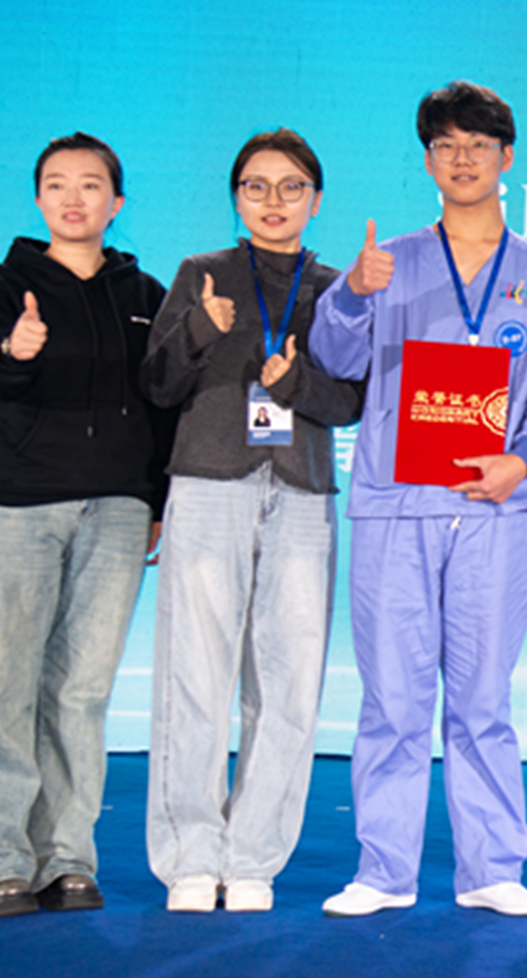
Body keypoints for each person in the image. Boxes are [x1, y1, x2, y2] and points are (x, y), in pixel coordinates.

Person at [308, 84, 527, 920]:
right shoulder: (387, 262)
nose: (463, 160)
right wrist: (353, 294)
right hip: (397, 505)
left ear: (507, 157)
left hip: (496, 510)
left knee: (483, 697)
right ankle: (382, 871)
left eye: (478, 145)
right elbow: (334, 359)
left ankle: (492, 867)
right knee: (392, 697)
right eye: (446, 146)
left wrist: (522, 459)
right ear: (427, 161)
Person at [0, 132, 173, 919]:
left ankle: (65, 858)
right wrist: (16, 349)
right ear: (39, 199)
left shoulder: (146, 294)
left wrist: (156, 502)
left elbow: (162, 404)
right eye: (56, 184)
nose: (73, 198)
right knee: (0, 684)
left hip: (117, 509)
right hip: (18, 501)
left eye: (90, 184)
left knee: (81, 691)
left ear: (116, 201)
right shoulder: (1, 285)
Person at [140, 129, 363, 913]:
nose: (274, 201)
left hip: (301, 490)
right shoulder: (200, 273)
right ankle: (191, 855)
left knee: (290, 681)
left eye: (291, 186)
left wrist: (295, 383)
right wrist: (200, 329)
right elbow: (157, 383)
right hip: (209, 482)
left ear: (316, 200)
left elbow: (353, 401)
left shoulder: (337, 289)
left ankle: (254, 857)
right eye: (256, 186)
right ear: (236, 197)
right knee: (194, 673)